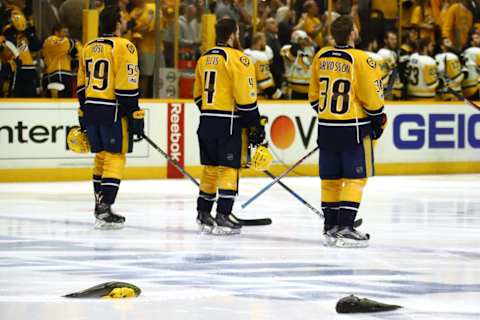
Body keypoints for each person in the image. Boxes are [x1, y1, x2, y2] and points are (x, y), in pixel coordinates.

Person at [308, 15, 386, 248]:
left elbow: (313, 97)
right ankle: (346, 227)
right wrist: (377, 121)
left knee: (330, 179)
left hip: (326, 127)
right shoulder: (363, 59)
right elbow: (372, 100)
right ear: (352, 33)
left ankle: (331, 226)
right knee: (355, 178)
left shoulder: (321, 56)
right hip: (353, 128)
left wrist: (329, 115)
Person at [193, 18, 264, 235]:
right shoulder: (238, 59)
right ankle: (223, 215)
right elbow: (246, 99)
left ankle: (204, 213)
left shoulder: (204, 58)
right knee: (228, 170)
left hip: (207, 121)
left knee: (210, 169)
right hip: (229, 123)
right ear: (233, 34)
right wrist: (255, 124)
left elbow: (197, 96)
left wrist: (211, 112)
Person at [76, 5, 144, 229]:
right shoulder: (125, 46)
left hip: (92, 109)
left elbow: (80, 85)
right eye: (122, 19)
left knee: (101, 158)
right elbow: (127, 87)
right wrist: (134, 113)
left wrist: (84, 111)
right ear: (116, 23)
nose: (125, 22)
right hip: (113, 111)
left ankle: (100, 206)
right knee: (115, 157)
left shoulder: (88, 46)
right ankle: (105, 208)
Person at [42, 24, 82, 98]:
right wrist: (74, 44)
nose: (67, 34)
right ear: (56, 32)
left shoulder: (65, 44)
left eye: (67, 32)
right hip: (54, 76)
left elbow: (79, 53)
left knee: (67, 102)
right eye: (64, 32)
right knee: (55, 103)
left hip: (66, 75)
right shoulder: (50, 40)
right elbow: (65, 44)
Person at [244, 32, 282, 99]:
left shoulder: (244, 53)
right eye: (264, 40)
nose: (265, 43)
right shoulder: (260, 56)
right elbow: (264, 83)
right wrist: (278, 95)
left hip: (245, 93)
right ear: (259, 41)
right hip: (258, 95)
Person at [461, 31, 480, 99]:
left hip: (465, 88)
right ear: (471, 42)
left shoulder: (466, 51)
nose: (479, 39)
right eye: (477, 38)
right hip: (475, 87)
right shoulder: (476, 51)